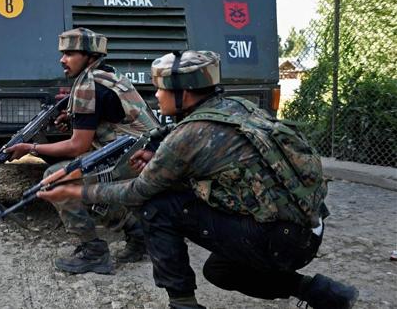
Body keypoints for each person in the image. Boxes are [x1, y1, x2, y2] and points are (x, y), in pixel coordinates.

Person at [37, 50, 359, 308]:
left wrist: (75, 191)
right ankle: (322, 292)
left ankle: (182, 305)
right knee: (219, 271)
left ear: (186, 93)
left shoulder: (190, 135)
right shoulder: (235, 105)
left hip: (280, 240)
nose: (158, 96)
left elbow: (137, 192)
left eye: (163, 89)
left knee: (158, 206)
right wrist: (156, 155)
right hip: (306, 228)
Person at [5, 27, 160, 275]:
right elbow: (107, 119)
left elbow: (78, 145)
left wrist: (29, 147)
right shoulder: (105, 75)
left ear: (89, 56)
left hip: (137, 158)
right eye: (62, 53)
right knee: (74, 172)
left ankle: (94, 252)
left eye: (70, 53)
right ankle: (138, 233)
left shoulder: (88, 84)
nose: (62, 60)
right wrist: (75, 118)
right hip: (146, 152)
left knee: (54, 180)